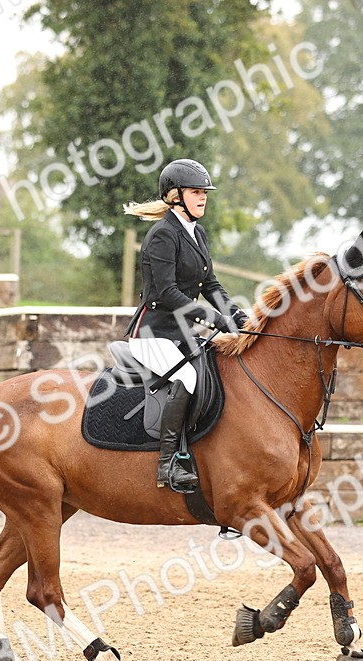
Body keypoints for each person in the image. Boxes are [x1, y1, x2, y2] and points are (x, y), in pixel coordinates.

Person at [122, 158, 249, 492]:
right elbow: (167, 292)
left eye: (204, 192)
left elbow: (211, 285)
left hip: (180, 333)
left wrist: (237, 316)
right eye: (195, 192)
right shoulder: (162, 235)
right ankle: (169, 464)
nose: (203, 197)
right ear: (175, 196)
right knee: (187, 377)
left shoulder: (197, 232)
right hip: (153, 333)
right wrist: (211, 318)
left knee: (215, 373)